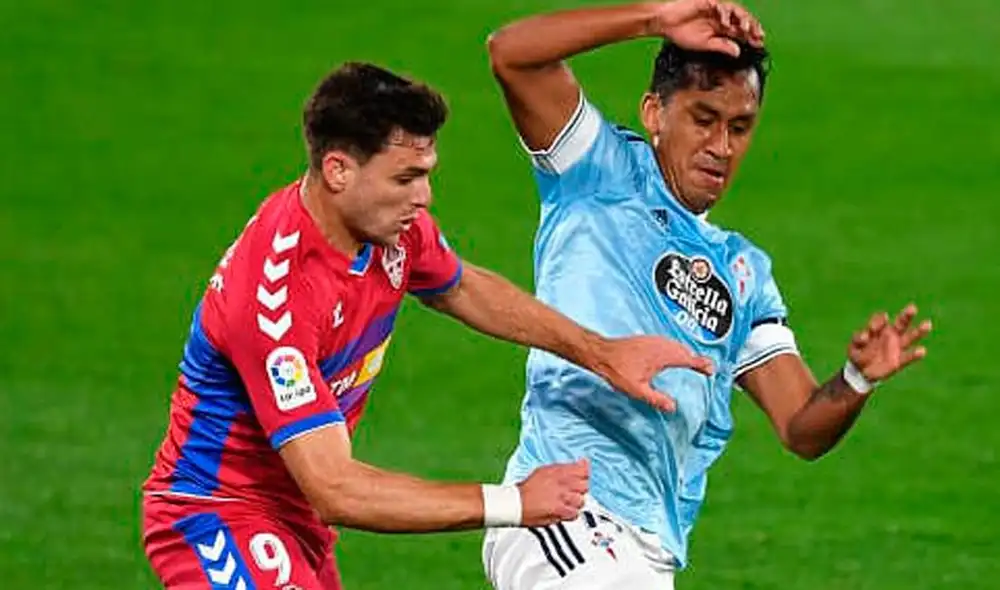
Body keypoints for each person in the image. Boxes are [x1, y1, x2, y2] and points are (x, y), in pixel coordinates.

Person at [140, 61, 711, 589]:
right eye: (405, 178)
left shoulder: (390, 229)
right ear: (338, 170)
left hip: (298, 518)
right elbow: (336, 487)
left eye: (426, 174)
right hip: (217, 512)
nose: (424, 197)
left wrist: (600, 352)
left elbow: (461, 287)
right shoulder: (276, 299)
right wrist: (513, 503)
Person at [482, 1, 933, 588]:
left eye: (739, 128)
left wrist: (856, 380)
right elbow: (512, 53)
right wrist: (654, 18)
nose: (722, 145)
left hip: (649, 542)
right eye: (703, 118)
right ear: (655, 112)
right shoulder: (597, 171)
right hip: (563, 510)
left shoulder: (743, 272)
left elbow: (801, 428)